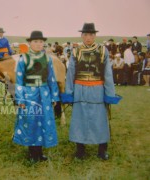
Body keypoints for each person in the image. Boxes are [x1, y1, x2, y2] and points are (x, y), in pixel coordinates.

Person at [62, 23, 120, 160]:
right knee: (79, 119)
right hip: (80, 89)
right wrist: (69, 92)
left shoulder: (102, 50)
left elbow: (107, 74)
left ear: (95, 36)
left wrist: (110, 93)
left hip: (97, 89)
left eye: (91, 35)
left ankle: (102, 150)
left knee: (99, 119)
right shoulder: (75, 51)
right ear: (81, 35)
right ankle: (80, 150)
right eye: (85, 34)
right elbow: (70, 73)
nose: (88, 37)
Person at [13, 31, 60, 162]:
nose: (39, 44)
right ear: (29, 43)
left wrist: (54, 96)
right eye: (35, 41)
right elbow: (19, 81)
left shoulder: (47, 58)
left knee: (43, 121)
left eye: (41, 41)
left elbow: (51, 79)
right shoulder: (24, 59)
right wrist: (21, 99)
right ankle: (32, 153)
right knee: (31, 121)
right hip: (29, 94)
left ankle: (39, 152)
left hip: (44, 94)